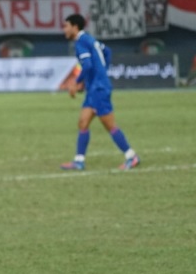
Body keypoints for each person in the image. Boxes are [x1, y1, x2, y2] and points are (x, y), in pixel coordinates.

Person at [59, 13, 140, 171]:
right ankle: (79, 161)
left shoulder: (80, 42)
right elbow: (107, 51)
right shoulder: (90, 39)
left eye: (66, 26)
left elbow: (87, 66)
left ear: (75, 27)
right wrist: (101, 72)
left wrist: (76, 82)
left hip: (98, 89)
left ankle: (131, 156)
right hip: (95, 88)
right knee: (83, 122)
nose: (64, 29)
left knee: (109, 125)